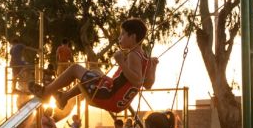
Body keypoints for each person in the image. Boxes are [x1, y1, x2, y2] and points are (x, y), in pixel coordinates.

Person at [29, 18, 159, 113]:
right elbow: (148, 84)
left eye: (122, 34)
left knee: (75, 68)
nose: (119, 38)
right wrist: (153, 67)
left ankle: (46, 92)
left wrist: (121, 62)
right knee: (95, 72)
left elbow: (137, 80)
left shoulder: (133, 55)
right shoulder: (145, 57)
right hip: (118, 102)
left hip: (108, 96)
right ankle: (64, 97)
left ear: (133, 37)